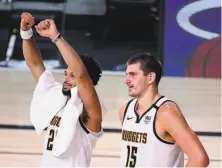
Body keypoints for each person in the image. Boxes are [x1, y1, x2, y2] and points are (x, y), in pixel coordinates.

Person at [20, 12, 107, 167]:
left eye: (71, 75)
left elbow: (81, 76)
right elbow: (34, 64)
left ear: (88, 83)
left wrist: (56, 37)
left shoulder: (91, 111)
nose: (66, 78)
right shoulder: (58, 96)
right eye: (66, 73)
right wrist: (26, 34)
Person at [119, 53, 209, 167]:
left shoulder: (166, 113)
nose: (126, 80)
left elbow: (199, 159)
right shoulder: (125, 110)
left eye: (133, 74)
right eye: (126, 75)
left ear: (151, 77)